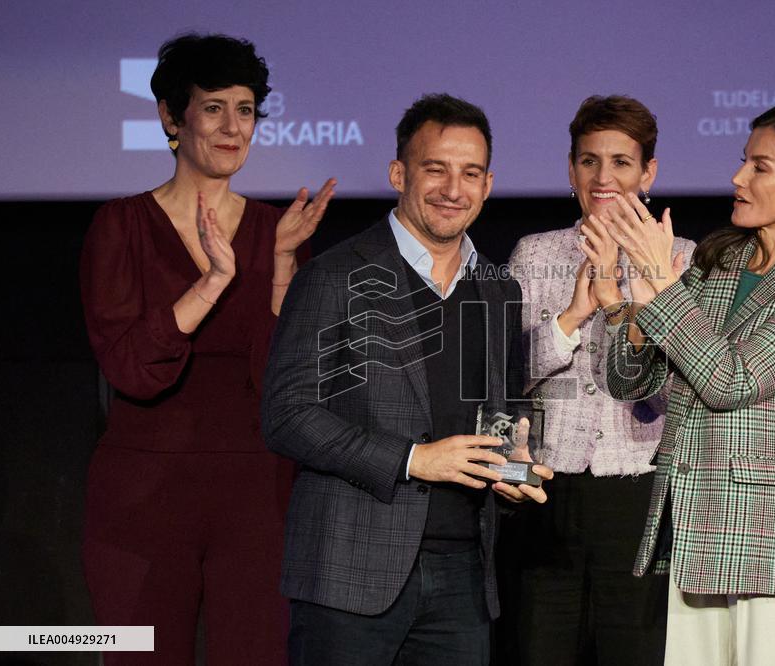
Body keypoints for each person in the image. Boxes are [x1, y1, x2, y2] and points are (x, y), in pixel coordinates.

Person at [261, 93, 553, 665]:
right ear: (399, 174)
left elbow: (503, 412)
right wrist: (413, 460)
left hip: (466, 578)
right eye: (435, 169)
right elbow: (287, 415)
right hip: (349, 574)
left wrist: (516, 469)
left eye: (470, 173)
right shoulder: (334, 274)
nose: (453, 188)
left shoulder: (499, 289)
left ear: (488, 184)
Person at [79, 33, 335, 665]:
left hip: (258, 496)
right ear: (171, 116)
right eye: (213, 107)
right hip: (140, 498)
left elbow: (284, 380)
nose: (232, 127)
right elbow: (130, 368)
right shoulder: (121, 224)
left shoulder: (282, 230)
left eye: (245, 109)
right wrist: (213, 282)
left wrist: (279, 264)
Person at [604, 104, 775, 665]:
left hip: (774, 543)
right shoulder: (718, 261)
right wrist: (628, 315)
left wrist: (661, 286)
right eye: (743, 163)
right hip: (697, 534)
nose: (738, 179)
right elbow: (630, 381)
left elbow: (732, 379)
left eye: (760, 167)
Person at [502, 95, 694, 664]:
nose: (603, 177)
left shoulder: (681, 258)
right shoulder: (534, 256)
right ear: (570, 169)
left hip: (638, 489)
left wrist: (636, 301)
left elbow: (684, 381)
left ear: (648, 173)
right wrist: (570, 317)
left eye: (621, 162)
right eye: (589, 161)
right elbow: (505, 380)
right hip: (545, 489)